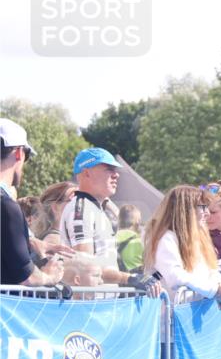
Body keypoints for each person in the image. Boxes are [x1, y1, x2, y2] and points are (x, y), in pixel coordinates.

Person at [0, 118, 65, 287]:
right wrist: (50, 276)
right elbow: (27, 277)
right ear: (19, 153)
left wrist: (29, 239)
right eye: (26, 157)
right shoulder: (6, 206)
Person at [143, 185, 221, 307]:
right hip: (170, 318)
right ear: (185, 210)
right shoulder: (166, 238)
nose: (207, 213)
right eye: (202, 207)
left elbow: (210, 270)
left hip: (192, 314)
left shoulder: (197, 239)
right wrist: (213, 290)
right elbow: (175, 276)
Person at [59, 147, 134, 286]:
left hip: (101, 301)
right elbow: (85, 269)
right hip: (90, 303)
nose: (116, 175)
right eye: (109, 169)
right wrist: (129, 278)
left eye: (115, 170)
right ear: (87, 173)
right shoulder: (81, 210)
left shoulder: (94, 207)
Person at [116, 204, 144, 273]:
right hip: (136, 279)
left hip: (118, 279)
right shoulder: (140, 240)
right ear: (137, 221)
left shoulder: (112, 237)